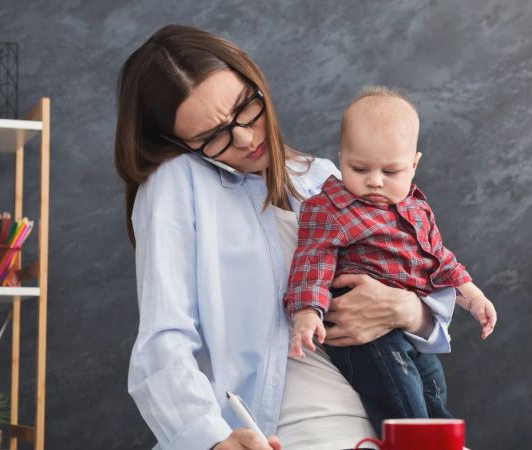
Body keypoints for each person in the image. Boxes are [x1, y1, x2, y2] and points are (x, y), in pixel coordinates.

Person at [114, 25, 458, 450]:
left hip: (393, 414)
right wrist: (211, 439)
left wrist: (408, 310)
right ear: (179, 142)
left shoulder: (325, 177)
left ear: (256, 82)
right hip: (292, 433)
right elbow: (162, 344)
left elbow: (423, 289)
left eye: (245, 109)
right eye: (211, 136)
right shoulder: (178, 183)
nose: (244, 137)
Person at [284, 86, 497, 434]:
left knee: (434, 397)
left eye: (391, 171)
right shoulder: (329, 208)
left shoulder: (416, 208)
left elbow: (438, 260)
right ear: (341, 159)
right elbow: (312, 262)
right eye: (359, 168)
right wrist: (307, 313)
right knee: (404, 409)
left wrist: (472, 296)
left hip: (409, 332)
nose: (375, 182)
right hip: (366, 338)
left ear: (413, 165)